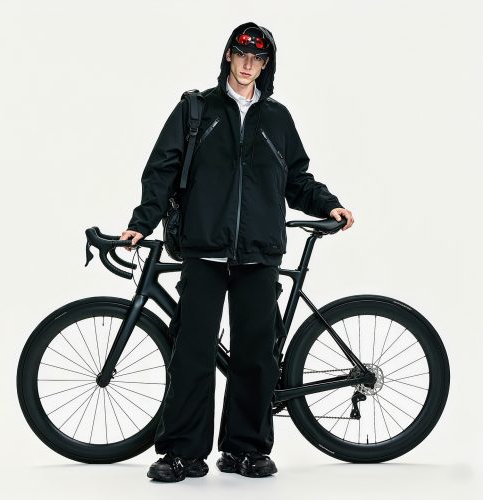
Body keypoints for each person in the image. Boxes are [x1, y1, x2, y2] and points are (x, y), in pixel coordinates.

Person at [120, 22, 354, 482]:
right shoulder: (196, 110)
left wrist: (329, 204)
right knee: (192, 352)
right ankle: (182, 453)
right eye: (242, 54)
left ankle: (244, 450)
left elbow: (296, 179)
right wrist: (140, 222)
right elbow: (162, 169)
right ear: (228, 55)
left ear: (266, 65)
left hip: (259, 252)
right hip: (204, 248)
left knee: (255, 355)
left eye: (258, 58)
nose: (248, 64)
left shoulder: (278, 118)